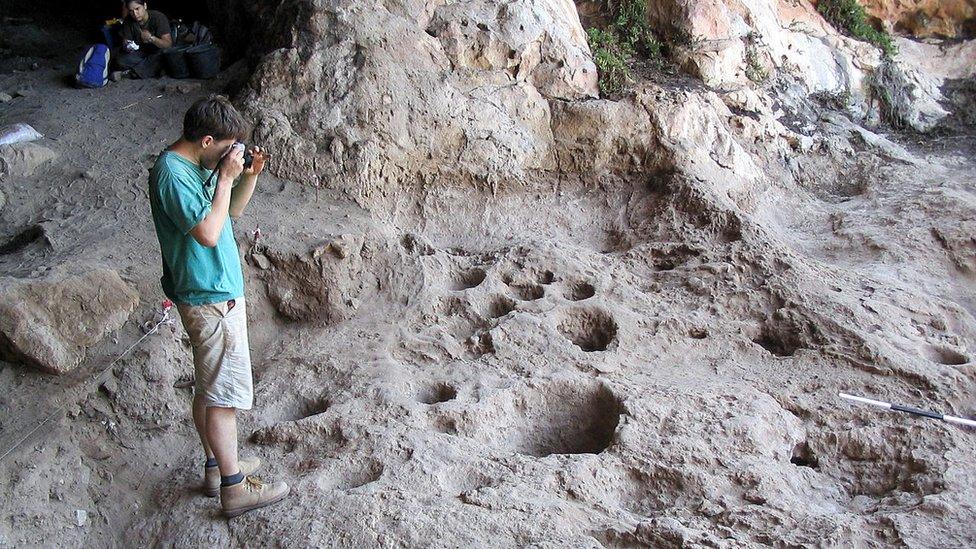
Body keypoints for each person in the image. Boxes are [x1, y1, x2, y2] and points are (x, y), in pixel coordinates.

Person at [147, 95, 289, 518]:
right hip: (208, 297)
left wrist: (248, 178)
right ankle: (234, 487)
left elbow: (229, 215)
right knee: (223, 397)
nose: (229, 155)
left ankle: (216, 467)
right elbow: (208, 234)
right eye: (225, 147)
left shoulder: (196, 166)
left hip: (213, 292)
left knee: (210, 390)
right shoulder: (172, 174)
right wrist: (226, 177)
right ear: (206, 139)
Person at [112, 0, 172, 80]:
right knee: (120, 60)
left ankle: (130, 74)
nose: (135, 14)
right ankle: (153, 69)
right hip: (141, 53)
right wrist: (127, 46)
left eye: (137, 9)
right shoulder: (128, 20)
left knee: (163, 56)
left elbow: (168, 44)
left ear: (145, 6)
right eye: (131, 11)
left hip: (157, 52)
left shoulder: (158, 17)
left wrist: (151, 38)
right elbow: (125, 42)